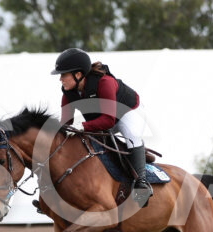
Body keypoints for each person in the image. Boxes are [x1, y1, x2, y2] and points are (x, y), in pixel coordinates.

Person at [52, 48, 152, 207]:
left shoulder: (105, 83)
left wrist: (82, 126)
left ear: (78, 74)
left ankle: (142, 182)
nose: (60, 79)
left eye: (64, 75)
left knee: (132, 135)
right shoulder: (68, 92)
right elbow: (67, 121)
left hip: (127, 113)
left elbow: (108, 121)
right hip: (102, 119)